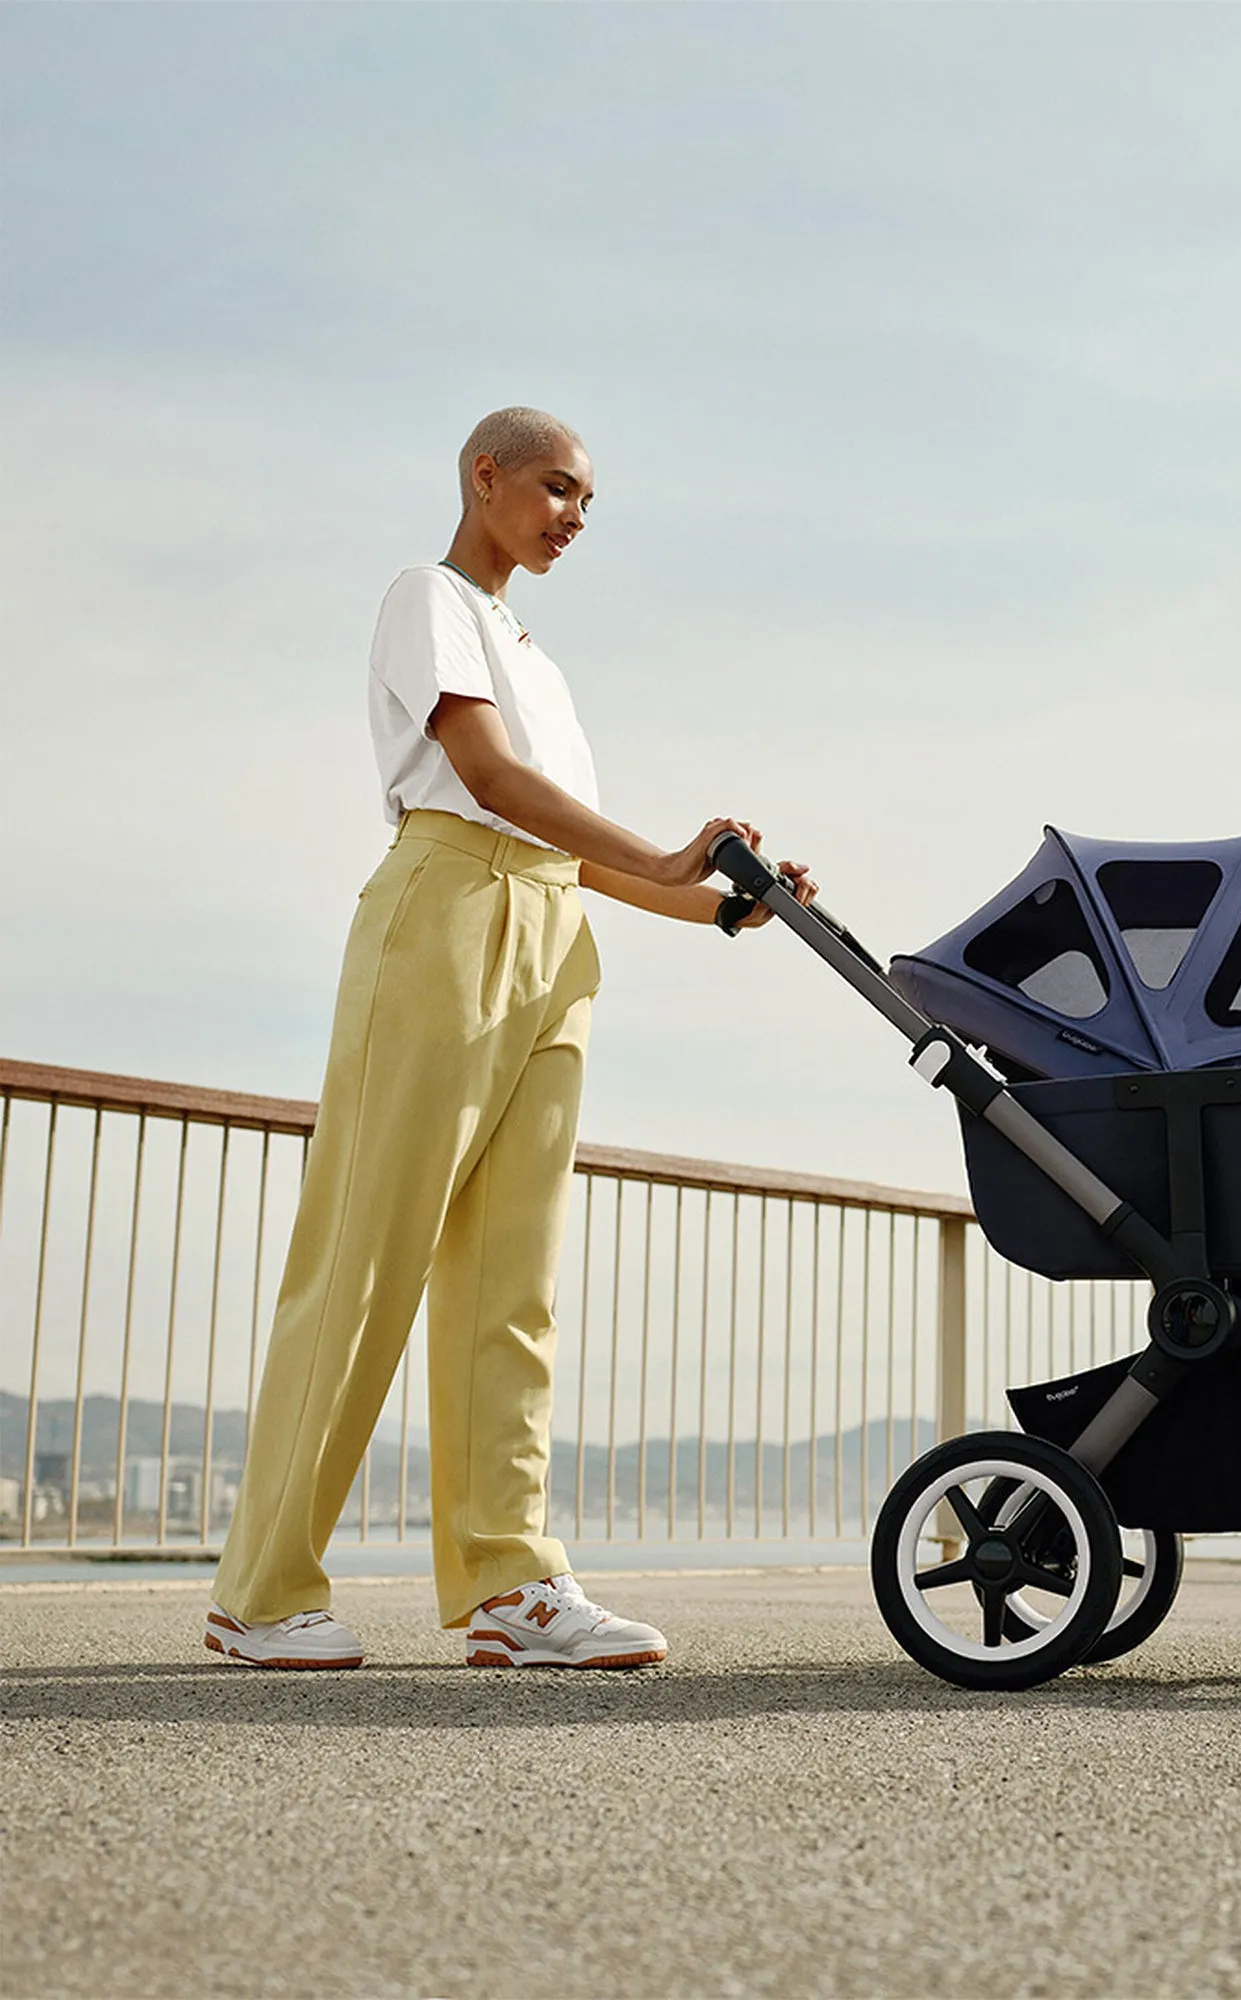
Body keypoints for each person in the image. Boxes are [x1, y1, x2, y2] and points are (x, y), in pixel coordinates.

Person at [204, 406, 810, 1670]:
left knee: (510, 1283)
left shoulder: (540, 658)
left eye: (585, 501)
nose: (572, 516)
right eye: (555, 489)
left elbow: (566, 846)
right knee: (366, 1254)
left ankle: (507, 1583)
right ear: (485, 476)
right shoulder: (426, 596)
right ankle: (260, 1590)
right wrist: (654, 847)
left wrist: (721, 908)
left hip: (550, 934)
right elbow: (482, 778)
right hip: (446, 909)